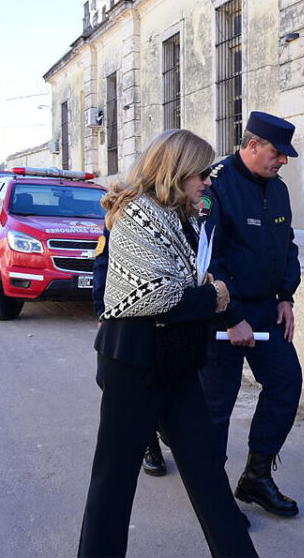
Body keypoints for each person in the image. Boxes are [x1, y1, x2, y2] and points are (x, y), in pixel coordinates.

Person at [78, 129, 257, 557]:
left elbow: (190, 279)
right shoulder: (136, 215)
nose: (208, 182)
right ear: (177, 172)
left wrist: (211, 293)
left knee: (208, 472)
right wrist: (213, 296)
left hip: (176, 361)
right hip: (132, 362)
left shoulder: (183, 218)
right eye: (202, 174)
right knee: (114, 480)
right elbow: (158, 296)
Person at [198, 111, 302, 518]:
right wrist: (230, 316)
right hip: (222, 313)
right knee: (216, 406)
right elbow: (207, 257)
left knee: (286, 382)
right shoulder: (216, 186)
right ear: (252, 145)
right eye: (278, 152)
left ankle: (257, 476)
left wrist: (286, 296)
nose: (283, 161)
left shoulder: (277, 190)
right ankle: (213, 495)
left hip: (265, 310)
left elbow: (286, 245)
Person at [92, 227, 168, 477]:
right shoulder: (121, 214)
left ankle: (164, 431)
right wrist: (103, 312)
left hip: (171, 320)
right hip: (127, 320)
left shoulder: (178, 212)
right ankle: (149, 444)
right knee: (133, 387)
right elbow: (104, 263)